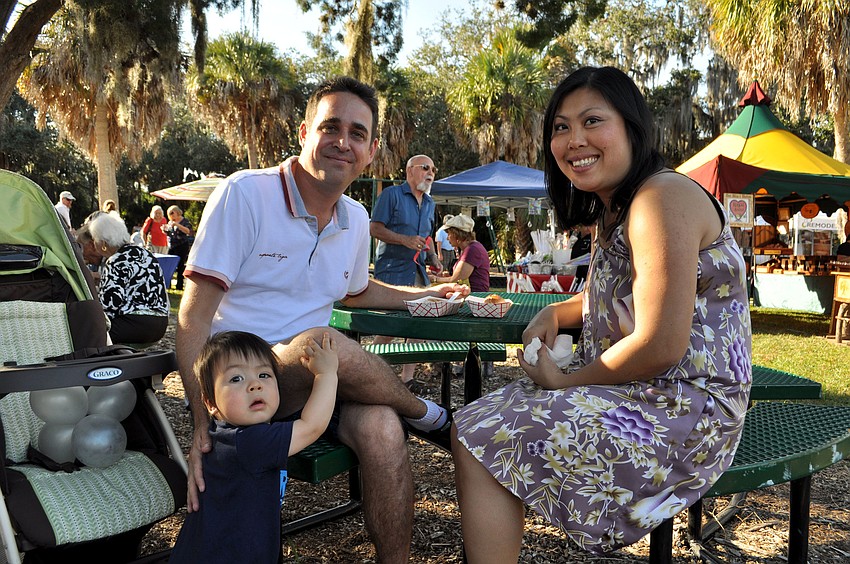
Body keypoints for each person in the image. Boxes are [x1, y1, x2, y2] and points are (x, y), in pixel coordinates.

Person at [451, 66, 752, 561]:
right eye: (561, 128)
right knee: (475, 424)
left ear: (632, 127)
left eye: (593, 121)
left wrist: (564, 382)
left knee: (485, 437)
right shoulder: (613, 208)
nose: (574, 140)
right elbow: (611, 294)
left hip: (685, 408)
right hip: (641, 388)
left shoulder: (661, 198)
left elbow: (660, 343)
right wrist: (557, 312)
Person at [176, 76, 469, 562]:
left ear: (371, 151)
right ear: (304, 131)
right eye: (331, 127)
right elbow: (193, 315)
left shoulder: (354, 218)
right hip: (246, 378)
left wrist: (424, 294)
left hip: (317, 386)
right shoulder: (245, 195)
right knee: (319, 339)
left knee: (381, 428)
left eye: (357, 134)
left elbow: (358, 292)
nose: (343, 142)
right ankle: (432, 418)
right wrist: (201, 419)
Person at [169, 330, 338, 564]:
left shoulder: (223, 436)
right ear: (211, 403)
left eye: (264, 375)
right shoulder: (250, 442)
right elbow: (311, 426)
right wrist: (326, 374)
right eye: (236, 378)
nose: (254, 385)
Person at [370, 154, 438, 392]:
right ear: (410, 171)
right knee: (390, 327)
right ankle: (370, 370)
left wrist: (433, 257)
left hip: (418, 270)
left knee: (419, 323)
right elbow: (374, 228)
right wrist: (404, 240)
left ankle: (407, 379)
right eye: (425, 168)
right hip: (393, 270)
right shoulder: (391, 195)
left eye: (433, 170)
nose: (431, 173)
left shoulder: (430, 203)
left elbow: (427, 237)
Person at [85, 211, 169, 344]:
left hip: (135, 324)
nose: (94, 244)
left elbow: (109, 305)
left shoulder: (115, 260)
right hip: (160, 324)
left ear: (104, 243)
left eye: (95, 240)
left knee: (89, 331)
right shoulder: (145, 254)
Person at [429, 214, 490, 292]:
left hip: (474, 296)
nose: (447, 238)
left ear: (456, 234)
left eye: (449, 234)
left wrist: (434, 279)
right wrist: (445, 275)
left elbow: (456, 280)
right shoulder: (468, 248)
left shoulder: (472, 250)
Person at [164, 205, 193, 290]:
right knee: (169, 264)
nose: (171, 215)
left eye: (172, 213)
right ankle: (167, 284)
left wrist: (177, 225)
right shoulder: (171, 222)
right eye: (170, 214)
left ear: (177, 212)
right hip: (172, 245)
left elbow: (188, 231)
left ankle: (179, 285)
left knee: (180, 266)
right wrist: (165, 230)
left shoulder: (184, 221)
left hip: (182, 245)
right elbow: (170, 234)